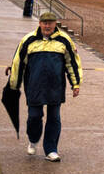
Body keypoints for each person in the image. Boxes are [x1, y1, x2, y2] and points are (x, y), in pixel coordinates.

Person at [8, 11, 81, 162]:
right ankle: (33, 140)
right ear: (40, 23)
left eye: (50, 23)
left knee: (54, 118)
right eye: (45, 23)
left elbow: (71, 63)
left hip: (56, 86)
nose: (47, 26)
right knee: (34, 116)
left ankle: (51, 150)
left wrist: (75, 83)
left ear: (55, 24)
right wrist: (14, 85)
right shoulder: (28, 40)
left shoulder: (64, 40)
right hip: (34, 86)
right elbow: (18, 63)